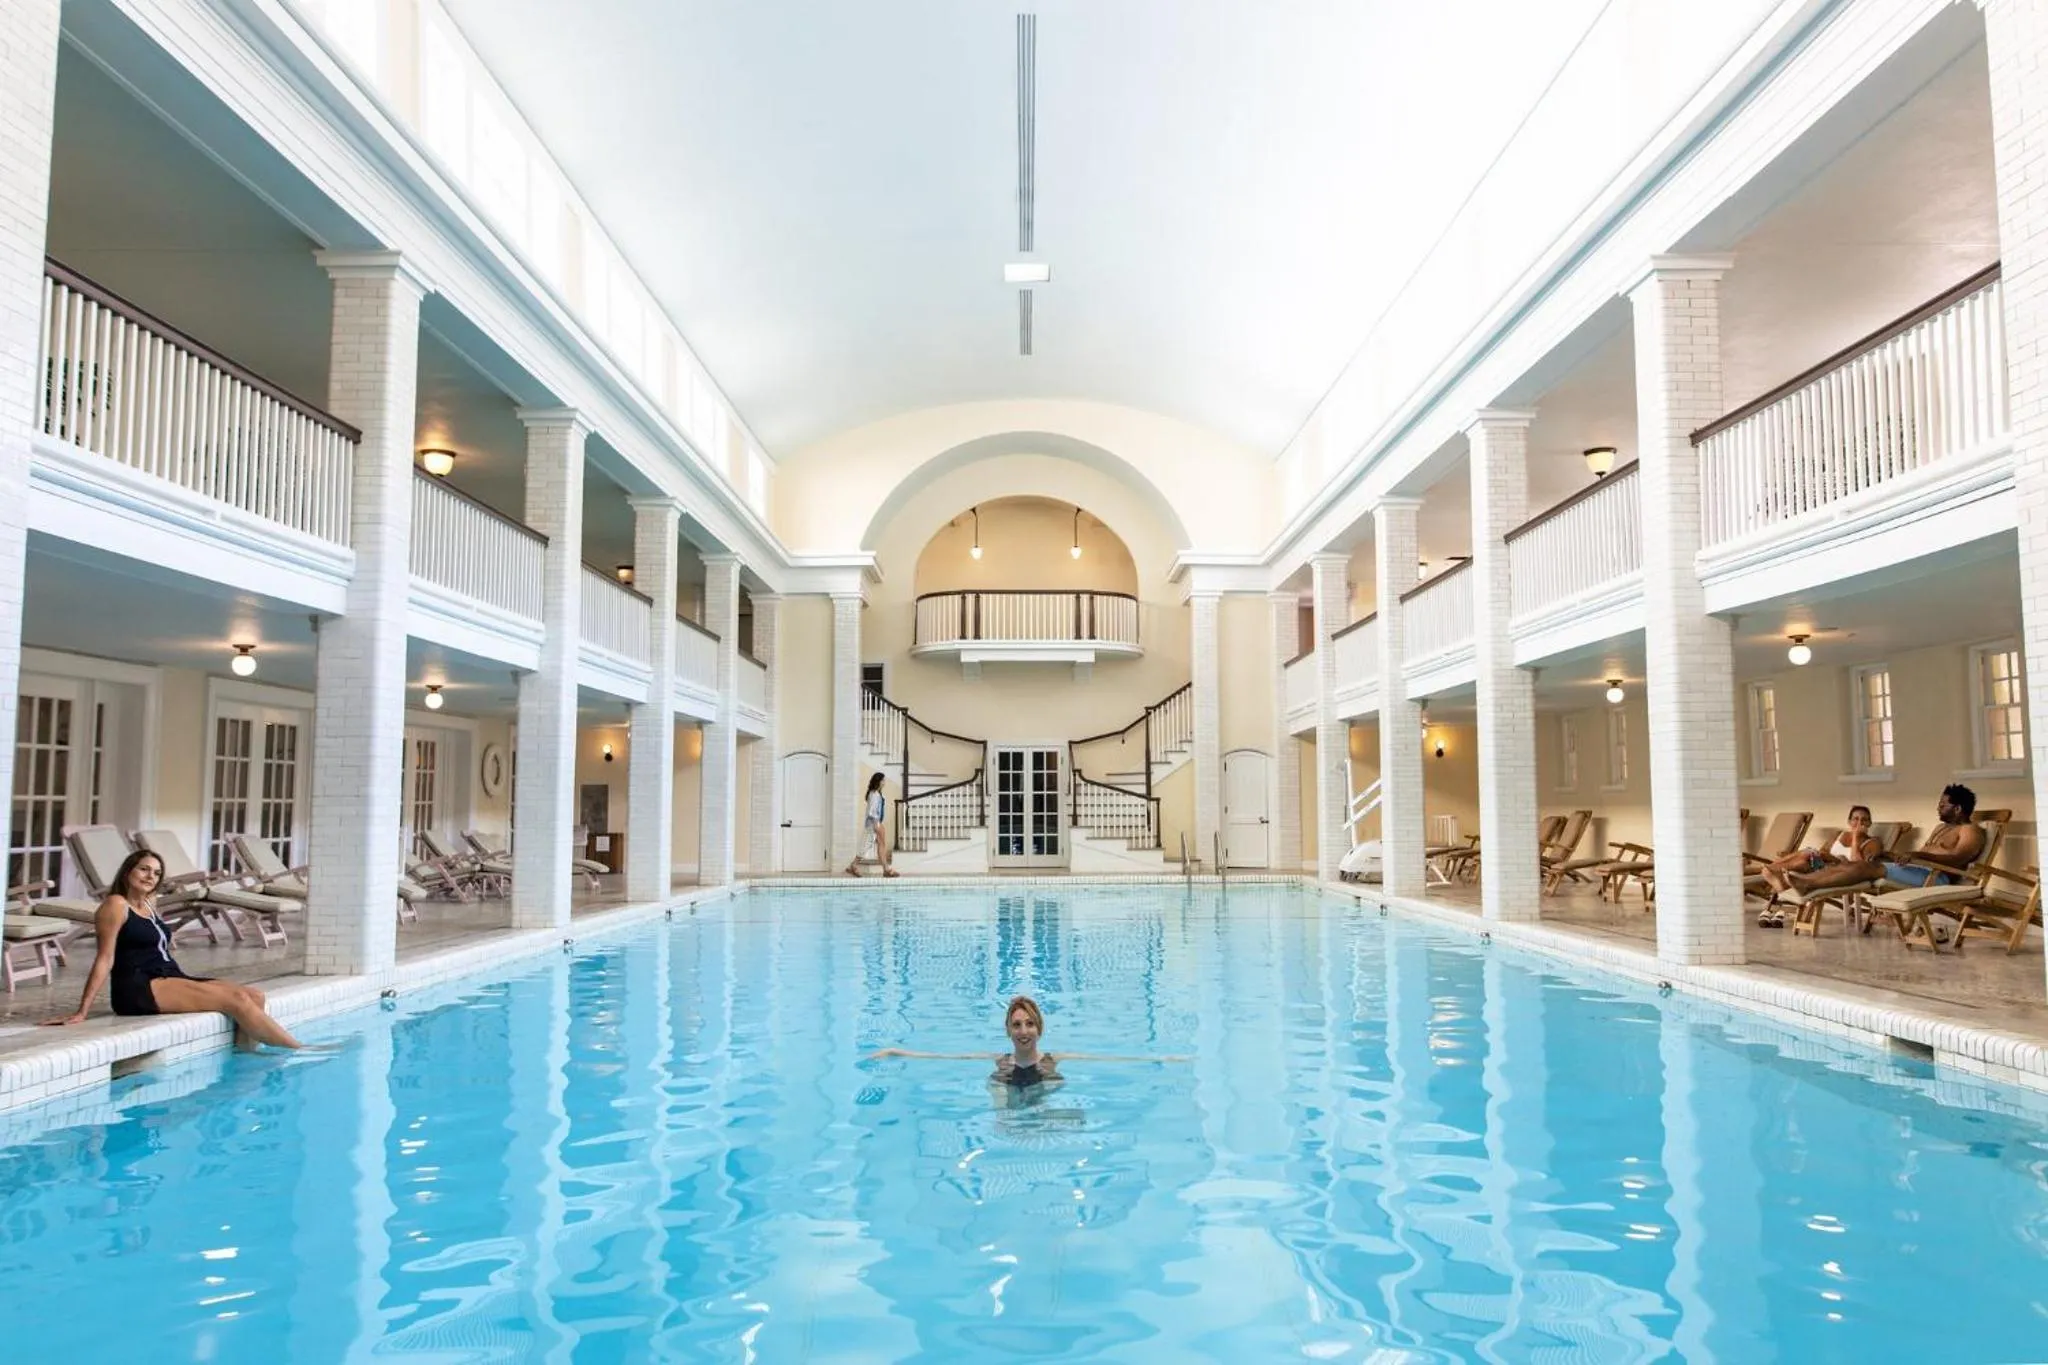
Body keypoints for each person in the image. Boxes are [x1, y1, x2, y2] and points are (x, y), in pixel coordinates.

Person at [43, 848, 305, 1049]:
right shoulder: (116, 905)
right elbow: (104, 958)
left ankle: (245, 1055)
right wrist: (83, 1010)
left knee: (255, 996)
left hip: (167, 974)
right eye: (144, 870)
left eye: (156, 873)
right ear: (127, 872)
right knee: (236, 1000)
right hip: (138, 986)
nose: (150, 877)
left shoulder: (149, 903)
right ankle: (298, 1050)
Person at [870, 994, 1186, 1088]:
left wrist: (1160, 1060)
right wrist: (896, 1051)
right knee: (997, 1087)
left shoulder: (1053, 1061)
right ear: (1008, 1030)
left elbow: (1107, 1061)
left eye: (1029, 1024)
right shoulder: (999, 1062)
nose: (1023, 1031)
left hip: (1041, 1088)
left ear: (1039, 1029)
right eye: (1017, 1025)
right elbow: (943, 1058)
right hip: (1008, 1087)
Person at [1756, 804, 1883, 926]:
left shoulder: (1873, 842)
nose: (1859, 822)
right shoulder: (1838, 835)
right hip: (1820, 866)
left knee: (1807, 855)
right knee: (1807, 856)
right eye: (1855, 819)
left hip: (1834, 874)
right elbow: (1823, 851)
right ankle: (1776, 878)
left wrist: (1855, 837)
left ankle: (1770, 872)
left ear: (1869, 824)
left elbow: (1860, 866)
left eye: (1864, 820)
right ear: (1849, 822)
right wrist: (1829, 857)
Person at [1876, 784, 1985, 888]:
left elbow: (1957, 859)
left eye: (1942, 805)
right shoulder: (1940, 828)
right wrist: (1894, 856)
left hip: (1935, 877)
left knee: (1867, 869)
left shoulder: (1969, 830)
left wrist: (1919, 855)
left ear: (1957, 809)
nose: (1938, 809)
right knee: (1869, 863)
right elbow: (1922, 853)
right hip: (1917, 869)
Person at [847, 771, 899, 878]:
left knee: (881, 845)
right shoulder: (874, 794)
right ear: (879, 781)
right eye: (883, 780)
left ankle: (886, 869)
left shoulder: (877, 794)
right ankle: (854, 865)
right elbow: (871, 811)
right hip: (873, 824)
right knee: (867, 845)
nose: (885, 782)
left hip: (878, 822)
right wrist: (876, 824)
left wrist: (879, 823)